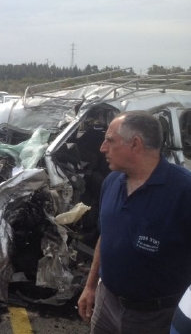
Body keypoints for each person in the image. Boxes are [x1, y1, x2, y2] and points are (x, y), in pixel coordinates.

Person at [77, 111, 191, 334]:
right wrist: (90, 287)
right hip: (106, 305)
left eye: (110, 140)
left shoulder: (184, 191)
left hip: (156, 318)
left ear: (135, 144)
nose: (102, 148)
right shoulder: (111, 181)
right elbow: (105, 237)